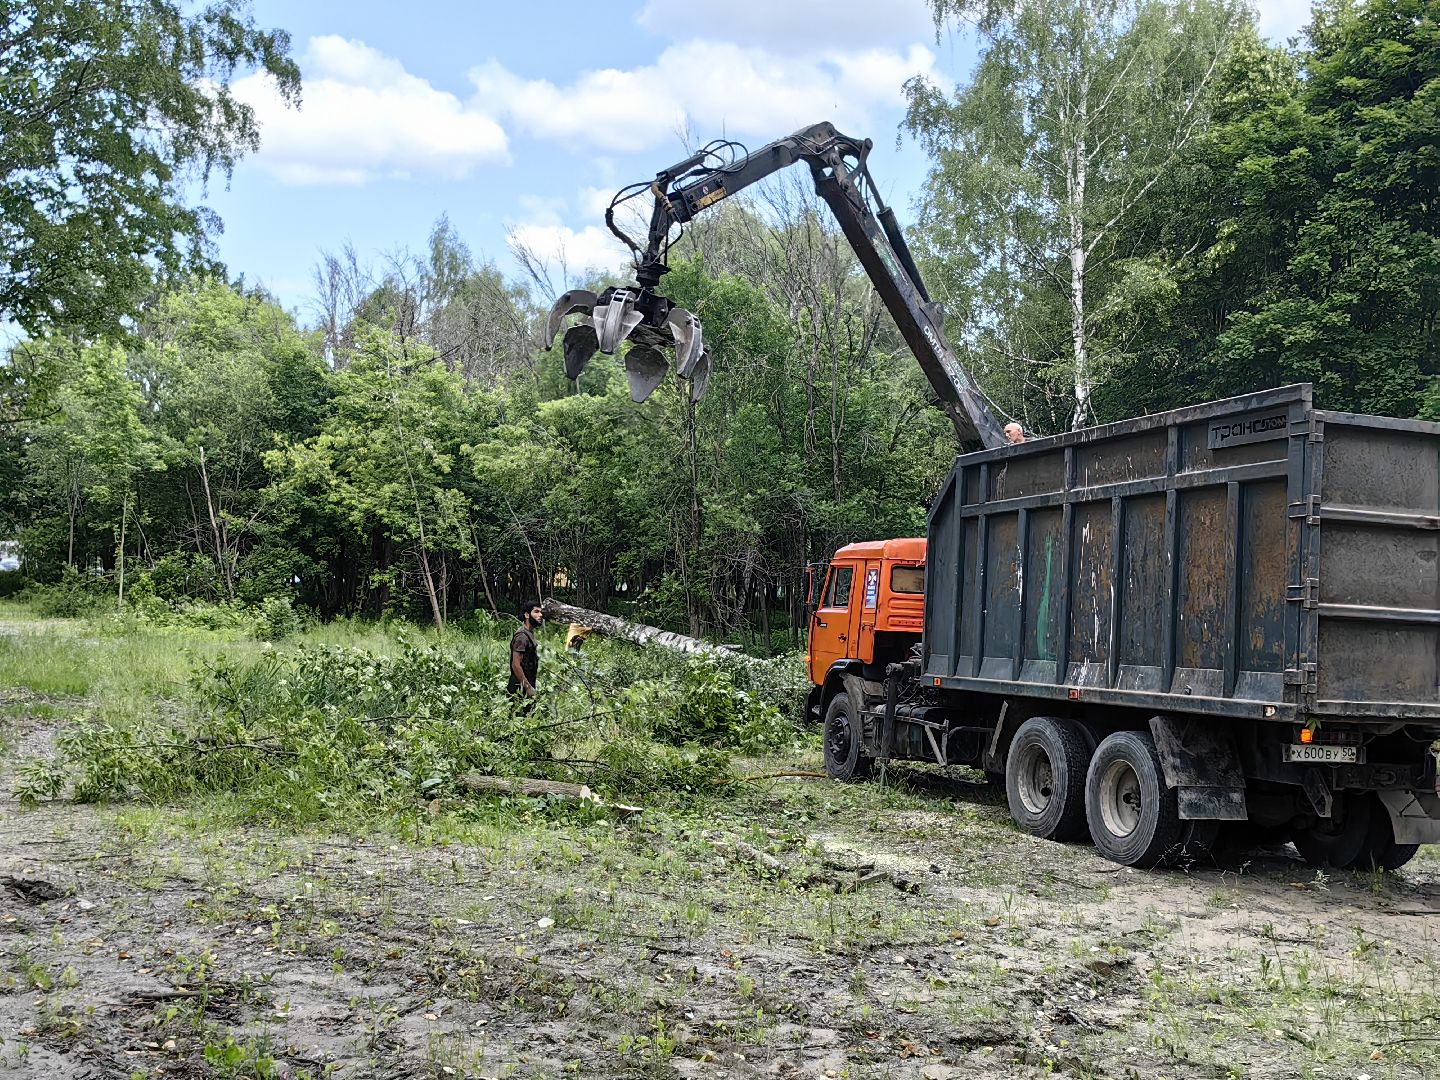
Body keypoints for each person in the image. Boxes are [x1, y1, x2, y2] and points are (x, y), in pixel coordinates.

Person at [508, 599, 543, 700]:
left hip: (526, 685)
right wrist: (527, 687)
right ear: (527, 615)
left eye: (541, 612)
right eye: (536, 612)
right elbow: (515, 665)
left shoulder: (529, 634)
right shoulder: (522, 637)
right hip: (519, 688)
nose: (540, 615)